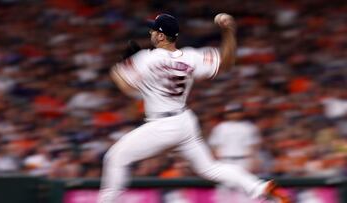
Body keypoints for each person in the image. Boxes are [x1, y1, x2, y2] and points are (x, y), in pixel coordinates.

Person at [98, 13, 290, 203]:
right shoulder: (191, 56)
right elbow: (227, 62)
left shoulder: (145, 58)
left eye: (154, 31)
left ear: (161, 36)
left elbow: (126, 87)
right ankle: (258, 186)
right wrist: (229, 32)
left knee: (115, 158)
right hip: (184, 122)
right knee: (210, 168)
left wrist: (119, 69)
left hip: (162, 124)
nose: (151, 34)